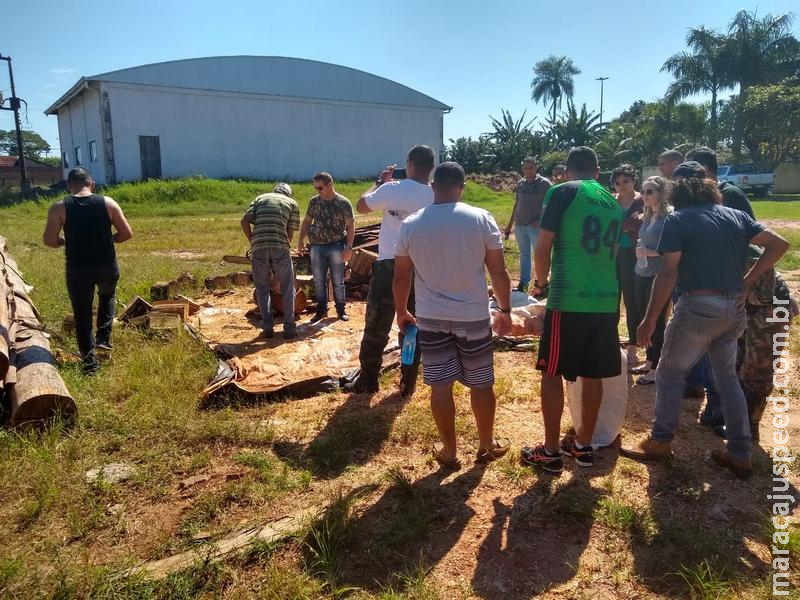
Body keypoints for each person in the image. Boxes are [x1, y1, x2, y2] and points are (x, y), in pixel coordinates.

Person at [623, 162, 789, 478]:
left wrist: (649, 320)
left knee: (670, 373)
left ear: (678, 193)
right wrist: (748, 280)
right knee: (727, 379)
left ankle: (660, 441)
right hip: (733, 310)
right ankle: (740, 451)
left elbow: (668, 274)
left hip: (697, 308)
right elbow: (779, 244)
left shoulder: (677, 220)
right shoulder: (736, 216)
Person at [394, 161, 512, 468]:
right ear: (462, 187)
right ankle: (486, 445)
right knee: (481, 384)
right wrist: (505, 310)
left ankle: (449, 451)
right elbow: (498, 271)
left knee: (440, 385)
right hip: (472, 316)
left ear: (433, 187)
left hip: (431, 317)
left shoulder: (411, 224)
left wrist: (401, 311)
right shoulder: (480, 219)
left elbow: (401, 277)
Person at [521, 147, 624, 474]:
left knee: (551, 371)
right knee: (592, 374)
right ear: (597, 170)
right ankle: (583, 447)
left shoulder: (562, 191)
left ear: (568, 171)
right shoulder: (612, 201)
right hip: (606, 300)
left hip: (569, 299)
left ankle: (550, 451)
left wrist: (539, 283)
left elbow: (543, 244)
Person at [344, 145, 435, 396]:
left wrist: (378, 182)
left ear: (409, 163)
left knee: (377, 324)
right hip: (422, 269)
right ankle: (408, 381)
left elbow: (361, 206)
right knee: (413, 324)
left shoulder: (393, 188)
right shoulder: (435, 195)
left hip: (389, 266)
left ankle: (368, 380)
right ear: (431, 168)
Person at [684, 146, 754, 423]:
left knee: (722, 356)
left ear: (707, 172)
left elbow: (751, 241)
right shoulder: (695, 199)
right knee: (704, 348)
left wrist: (745, 281)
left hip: (724, 287)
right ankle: (710, 401)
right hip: (698, 284)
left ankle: (719, 410)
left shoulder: (732, 195)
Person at [43, 168, 133, 373]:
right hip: (107, 266)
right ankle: (103, 338)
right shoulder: (108, 203)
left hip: (78, 269)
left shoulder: (59, 207)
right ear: (91, 184)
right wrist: (110, 239)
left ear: (69, 185)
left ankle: (90, 364)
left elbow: (49, 240)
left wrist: (64, 241)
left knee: (82, 313)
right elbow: (126, 233)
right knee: (107, 296)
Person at [241, 182, 301, 339]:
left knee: (262, 288)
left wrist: (252, 241)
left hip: (259, 248)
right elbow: (290, 233)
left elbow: (244, 220)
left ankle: (267, 327)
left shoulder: (260, 198)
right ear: (289, 194)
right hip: (280, 248)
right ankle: (289, 328)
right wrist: (285, 246)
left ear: (274, 191)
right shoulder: (292, 203)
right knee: (288, 288)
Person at [630, 176, 673, 384]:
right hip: (641, 272)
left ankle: (657, 367)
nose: (644, 195)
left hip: (658, 275)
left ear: (661, 194)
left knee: (656, 320)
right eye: (643, 191)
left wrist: (651, 252)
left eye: (650, 192)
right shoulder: (648, 215)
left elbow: (673, 250)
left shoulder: (670, 217)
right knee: (642, 316)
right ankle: (649, 360)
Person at [297, 172, 355, 322]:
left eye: (320, 187)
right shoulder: (314, 202)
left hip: (336, 245)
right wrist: (300, 240)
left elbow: (350, 226)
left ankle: (340, 310)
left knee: (337, 280)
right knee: (318, 280)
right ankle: (321, 309)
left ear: (330, 184)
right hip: (317, 246)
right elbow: (307, 221)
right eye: (315, 187)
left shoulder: (343, 203)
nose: (317, 190)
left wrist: (349, 248)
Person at [611, 164, 644, 365]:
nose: (621, 186)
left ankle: (633, 345)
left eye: (626, 182)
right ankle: (612, 342)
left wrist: (624, 227)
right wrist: (626, 227)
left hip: (633, 255)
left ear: (634, 181)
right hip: (612, 255)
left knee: (632, 301)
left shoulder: (642, 200)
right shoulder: (610, 201)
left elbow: (642, 224)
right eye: (617, 182)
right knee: (612, 298)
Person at [504, 157, 551, 292]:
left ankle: (542, 282)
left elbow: (551, 204)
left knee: (540, 255)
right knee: (524, 254)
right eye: (525, 168)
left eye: (531, 168)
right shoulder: (521, 184)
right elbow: (517, 204)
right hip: (520, 225)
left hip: (535, 226)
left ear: (536, 168)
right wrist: (509, 225)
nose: (528, 171)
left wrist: (541, 220)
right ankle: (523, 283)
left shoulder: (545, 184)